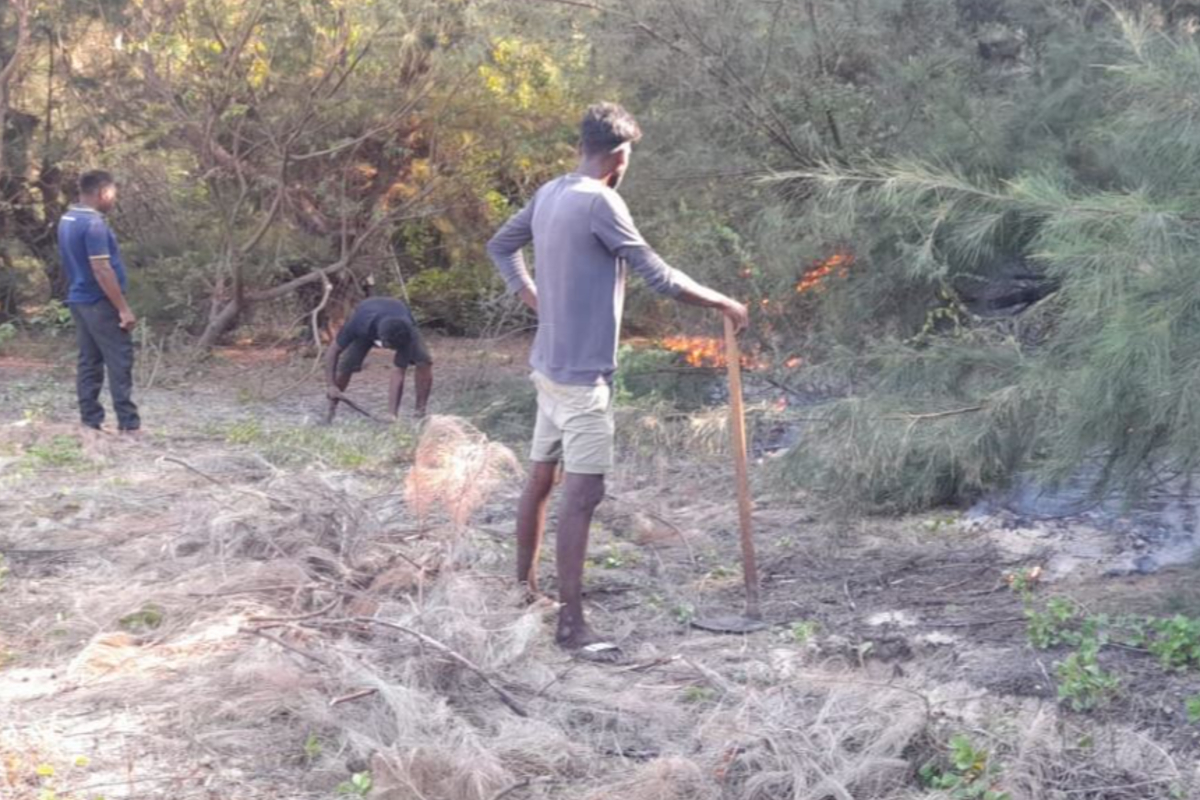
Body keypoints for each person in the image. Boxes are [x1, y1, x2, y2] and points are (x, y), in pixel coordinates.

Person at [486, 102, 749, 656]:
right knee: (582, 497)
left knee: (540, 482)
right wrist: (723, 301)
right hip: (582, 382)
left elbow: (501, 246)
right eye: (629, 156)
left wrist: (532, 296)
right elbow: (659, 276)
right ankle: (570, 626)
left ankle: (523, 591)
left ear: (583, 146)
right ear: (619, 155)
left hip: (549, 369)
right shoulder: (603, 202)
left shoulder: (550, 192)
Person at [58, 170, 141, 434]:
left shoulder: (67, 218)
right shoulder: (93, 224)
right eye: (113, 193)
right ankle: (128, 424)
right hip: (99, 302)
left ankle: (90, 421)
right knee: (119, 358)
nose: (113, 199)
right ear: (103, 192)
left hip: (79, 299)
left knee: (89, 361)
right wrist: (123, 309)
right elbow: (102, 269)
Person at [325, 296, 433, 423]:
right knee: (346, 366)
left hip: (398, 317)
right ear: (382, 340)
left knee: (424, 360)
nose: (392, 351)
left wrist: (391, 415)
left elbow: (398, 371)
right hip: (366, 320)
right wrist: (331, 385)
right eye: (390, 347)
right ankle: (331, 411)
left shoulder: (406, 332)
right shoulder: (358, 324)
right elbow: (332, 351)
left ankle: (420, 413)